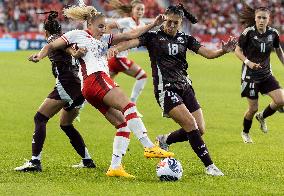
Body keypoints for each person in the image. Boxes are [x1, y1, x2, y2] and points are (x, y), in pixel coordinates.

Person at [28, 6, 174, 178]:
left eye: (104, 26)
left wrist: (153, 24)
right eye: (99, 26)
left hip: (90, 89)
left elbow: (130, 34)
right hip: (95, 79)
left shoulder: (105, 38)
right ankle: (149, 146)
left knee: (122, 124)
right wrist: (39, 56)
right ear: (89, 24)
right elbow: (52, 45)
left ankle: (115, 167)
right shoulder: (77, 34)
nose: (103, 29)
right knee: (128, 105)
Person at [108, 4, 237, 176]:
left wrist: (223, 50)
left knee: (200, 129)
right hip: (166, 89)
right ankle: (210, 166)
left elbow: (208, 53)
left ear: (181, 22)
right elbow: (132, 41)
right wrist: (116, 48)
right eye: (169, 22)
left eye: (175, 23)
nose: (171, 26)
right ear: (164, 18)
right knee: (191, 124)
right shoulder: (153, 37)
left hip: (185, 87)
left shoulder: (186, 38)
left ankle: (165, 139)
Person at [14, 11, 95, 172]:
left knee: (40, 118)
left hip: (67, 84)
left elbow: (50, 45)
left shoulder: (53, 39)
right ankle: (87, 160)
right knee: (66, 124)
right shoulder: (67, 38)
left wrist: (39, 56)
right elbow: (70, 49)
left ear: (46, 31)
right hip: (79, 86)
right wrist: (75, 52)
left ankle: (35, 162)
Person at [234, 3, 284, 143]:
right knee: (253, 109)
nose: (261, 20)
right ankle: (245, 132)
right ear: (255, 19)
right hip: (250, 77)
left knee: (281, 100)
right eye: (259, 18)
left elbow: (278, 50)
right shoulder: (248, 33)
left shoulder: (273, 33)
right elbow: (237, 51)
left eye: (264, 18)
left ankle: (262, 116)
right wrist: (248, 62)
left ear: (269, 19)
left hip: (266, 75)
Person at [106, 0, 148, 117]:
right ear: (132, 10)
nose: (140, 11)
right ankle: (132, 106)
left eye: (142, 9)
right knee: (142, 76)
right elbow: (109, 26)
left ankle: (77, 105)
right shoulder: (126, 21)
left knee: (103, 84)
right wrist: (110, 42)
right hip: (119, 58)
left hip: (117, 58)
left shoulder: (143, 25)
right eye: (138, 9)